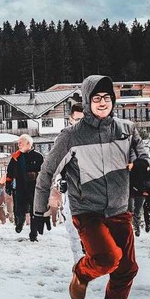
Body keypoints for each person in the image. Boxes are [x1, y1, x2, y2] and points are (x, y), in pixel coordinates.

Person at [34, 75, 150, 299]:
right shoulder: (71, 136)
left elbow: (142, 153)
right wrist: (38, 209)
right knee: (108, 258)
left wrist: (143, 164)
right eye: (96, 98)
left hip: (119, 208)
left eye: (106, 98)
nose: (102, 103)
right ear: (87, 102)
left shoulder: (126, 129)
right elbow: (47, 171)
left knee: (127, 267)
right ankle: (81, 272)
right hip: (88, 210)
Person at [5, 134, 44, 241]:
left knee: (34, 211)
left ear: (28, 144)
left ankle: (33, 234)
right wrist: (8, 184)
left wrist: (36, 174)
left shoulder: (38, 157)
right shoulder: (16, 157)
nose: (18, 145)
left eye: (20, 143)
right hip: (19, 188)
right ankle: (19, 222)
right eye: (18, 143)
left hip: (34, 188)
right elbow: (10, 172)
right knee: (19, 209)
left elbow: (44, 172)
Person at [60, 102, 85, 262]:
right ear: (71, 119)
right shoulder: (65, 138)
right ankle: (78, 260)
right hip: (72, 187)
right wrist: (61, 178)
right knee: (72, 222)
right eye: (77, 120)